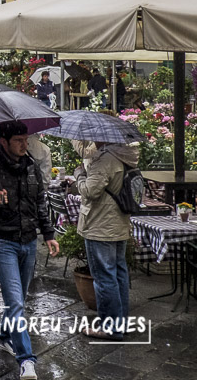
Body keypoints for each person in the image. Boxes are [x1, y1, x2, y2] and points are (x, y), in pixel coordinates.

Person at [0, 121, 59, 380]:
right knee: (16, 301)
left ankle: (1, 334)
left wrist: (49, 234)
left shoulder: (31, 166)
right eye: (19, 140)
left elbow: (39, 201)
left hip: (29, 241)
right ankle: (26, 359)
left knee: (17, 299)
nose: (24, 144)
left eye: (25, 139)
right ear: (4, 142)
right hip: (2, 241)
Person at [74, 140, 140, 339]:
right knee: (119, 273)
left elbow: (90, 191)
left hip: (100, 225)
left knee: (104, 277)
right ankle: (121, 322)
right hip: (118, 223)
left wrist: (79, 175)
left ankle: (110, 327)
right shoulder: (125, 155)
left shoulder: (106, 159)